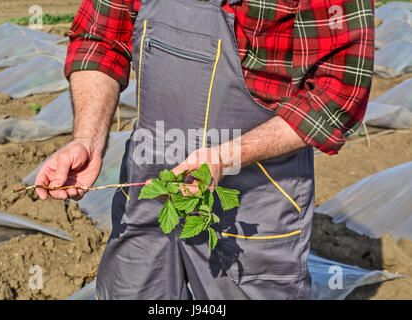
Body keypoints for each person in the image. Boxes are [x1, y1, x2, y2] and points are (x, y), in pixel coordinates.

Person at [35, 0, 374, 299]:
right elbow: (101, 39)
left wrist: (226, 157)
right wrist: (87, 139)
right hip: (148, 191)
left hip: (252, 207)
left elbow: (340, 92)